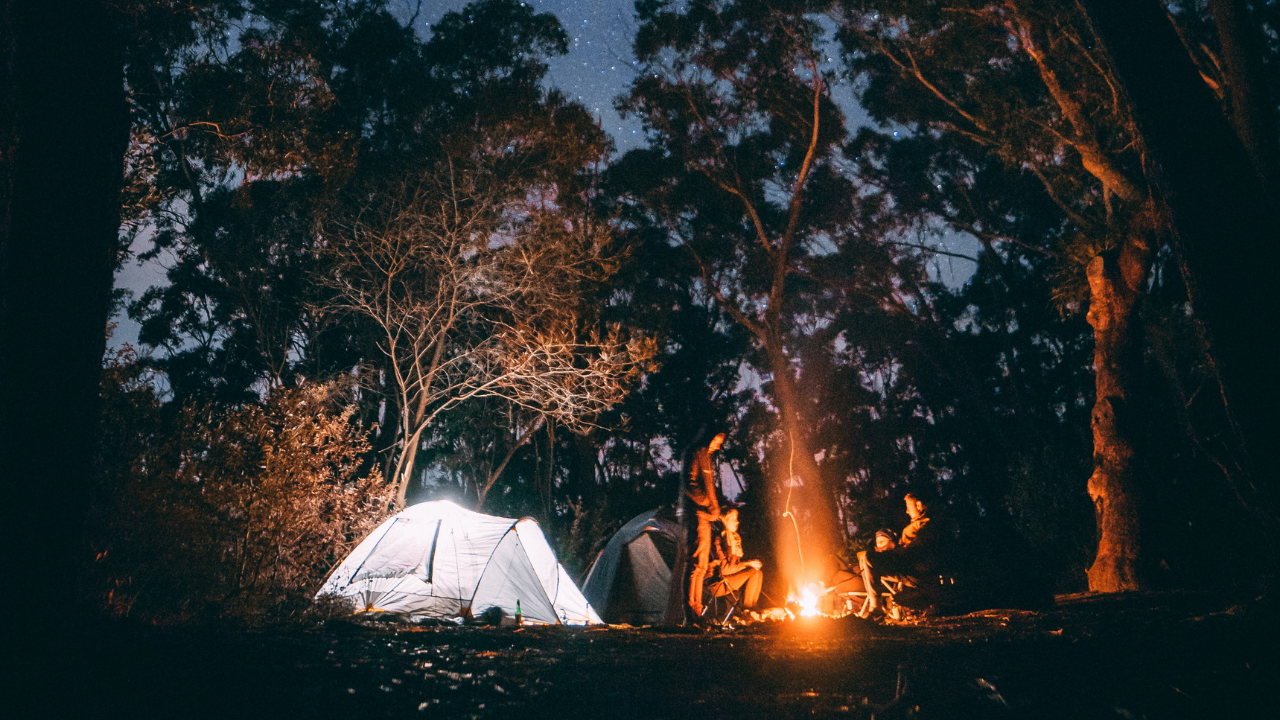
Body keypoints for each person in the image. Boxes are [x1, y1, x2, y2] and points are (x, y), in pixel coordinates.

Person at [856, 492, 942, 618]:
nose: (907, 511)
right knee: (865, 559)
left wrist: (892, 551)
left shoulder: (927, 525)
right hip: (906, 568)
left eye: (909, 506)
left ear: (918, 506)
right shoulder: (918, 525)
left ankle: (876, 607)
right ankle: (874, 604)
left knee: (869, 557)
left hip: (916, 572)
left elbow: (915, 550)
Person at [680, 430, 724, 621]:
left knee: (703, 566)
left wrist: (715, 508)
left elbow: (708, 486)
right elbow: (690, 484)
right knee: (696, 565)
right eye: (716, 440)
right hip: (697, 515)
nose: (718, 445)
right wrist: (707, 503)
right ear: (708, 437)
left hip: (705, 516)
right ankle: (690, 613)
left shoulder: (705, 457)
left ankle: (697, 611)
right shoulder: (695, 453)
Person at [706, 508, 764, 609]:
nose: (737, 522)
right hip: (718, 584)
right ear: (724, 521)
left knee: (758, 572)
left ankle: (752, 608)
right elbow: (725, 570)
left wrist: (751, 563)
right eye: (732, 519)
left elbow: (735, 567)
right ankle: (746, 609)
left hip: (729, 580)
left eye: (736, 519)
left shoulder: (733, 539)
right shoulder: (719, 540)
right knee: (753, 571)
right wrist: (746, 564)